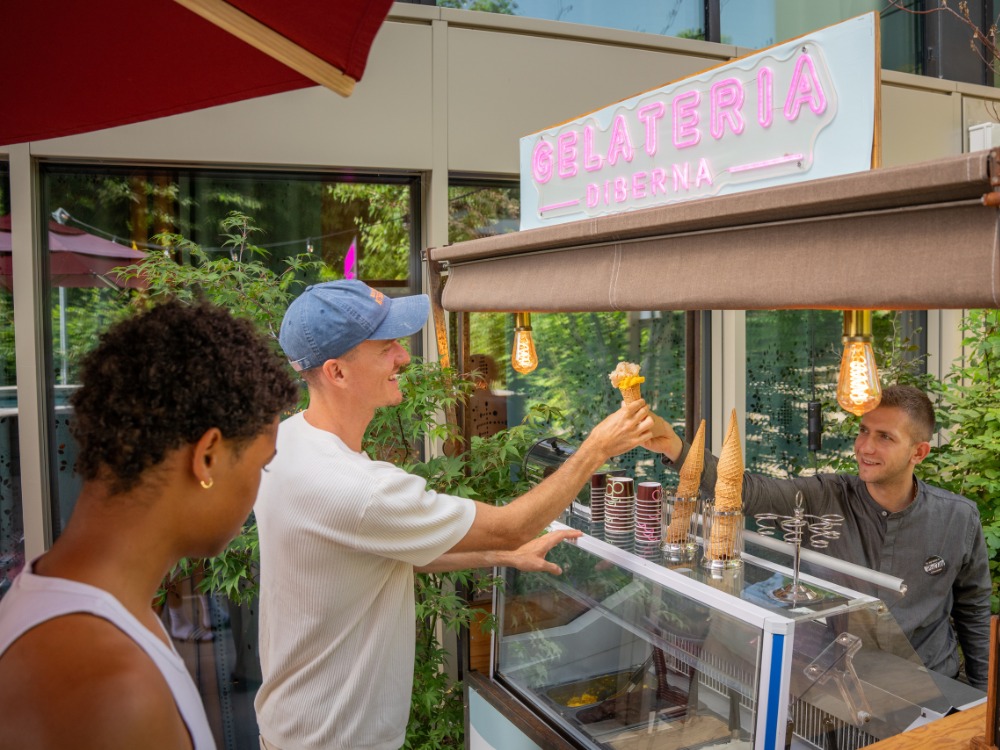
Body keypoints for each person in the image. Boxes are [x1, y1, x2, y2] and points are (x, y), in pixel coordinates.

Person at [254, 280, 653, 750]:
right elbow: (511, 524)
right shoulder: (356, 488)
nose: (403, 357)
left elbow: (385, 553)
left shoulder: (289, 442)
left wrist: (501, 555)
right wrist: (594, 450)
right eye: (386, 347)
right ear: (337, 373)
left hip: (294, 729)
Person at [0, 299, 298, 750]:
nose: (258, 489)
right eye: (263, 466)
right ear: (208, 456)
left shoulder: (85, 604)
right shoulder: (110, 688)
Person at [646, 384, 991, 691]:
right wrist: (677, 448)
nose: (865, 447)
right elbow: (745, 490)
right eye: (864, 431)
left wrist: (982, 699)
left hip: (927, 686)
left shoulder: (958, 517)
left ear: (919, 453)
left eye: (885, 437)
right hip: (837, 687)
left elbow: (973, 610)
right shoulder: (826, 495)